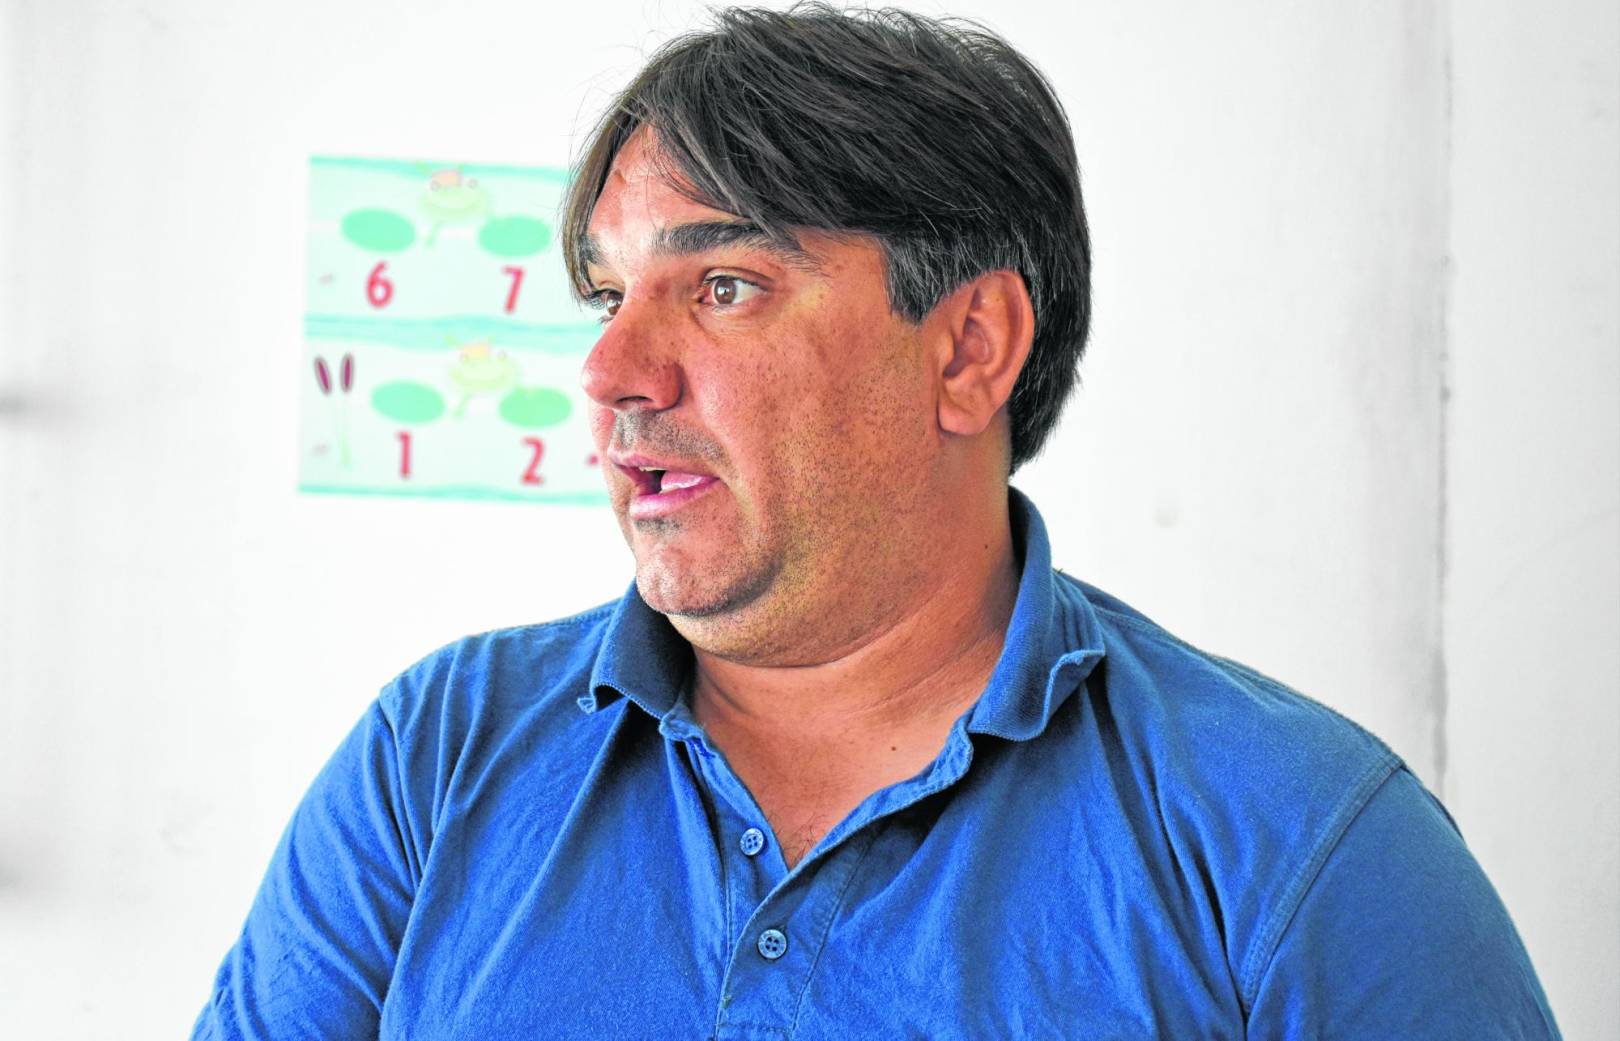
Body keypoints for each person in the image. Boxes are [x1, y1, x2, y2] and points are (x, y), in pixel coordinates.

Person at [192, 5, 1561, 1038]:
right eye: (608, 298)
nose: (612, 374)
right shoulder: (435, 763)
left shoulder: (1302, 845)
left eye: (724, 286)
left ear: (970, 348)